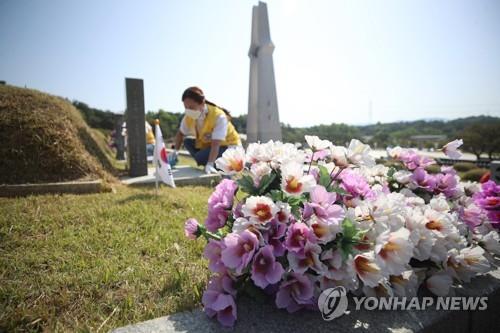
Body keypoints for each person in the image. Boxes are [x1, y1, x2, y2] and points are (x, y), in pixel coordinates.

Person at [173, 86, 241, 173]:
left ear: (202, 103)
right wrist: (175, 152)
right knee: (187, 142)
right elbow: (180, 134)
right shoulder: (189, 117)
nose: (188, 110)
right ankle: (212, 163)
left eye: (191, 107)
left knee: (200, 157)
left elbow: (216, 144)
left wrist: (210, 163)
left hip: (229, 148)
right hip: (210, 146)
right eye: (186, 107)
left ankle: (214, 164)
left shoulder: (218, 116)